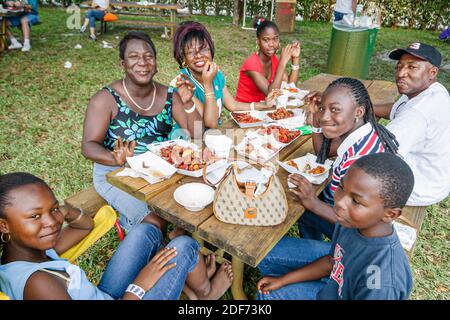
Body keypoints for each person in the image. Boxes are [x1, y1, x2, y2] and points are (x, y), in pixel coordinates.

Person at [0, 172, 233, 300]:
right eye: (34, 216)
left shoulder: (30, 253)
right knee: (182, 245)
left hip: (103, 295)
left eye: (51, 210)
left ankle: (190, 286)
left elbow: (83, 226)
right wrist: (139, 286)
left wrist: (60, 210)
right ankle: (206, 293)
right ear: (4, 225)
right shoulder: (38, 283)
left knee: (146, 230)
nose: (51, 223)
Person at [81, 31, 203, 233]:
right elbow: (88, 146)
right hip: (116, 173)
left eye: (148, 56)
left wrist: (189, 102)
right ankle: (131, 224)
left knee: (196, 201)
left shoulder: (170, 95)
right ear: (123, 63)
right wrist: (114, 158)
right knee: (155, 221)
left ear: (155, 62)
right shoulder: (105, 99)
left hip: (160, 169)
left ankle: (177, 239)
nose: (143, 62)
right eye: (134, 56)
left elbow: (196, 133)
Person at [257, 153, 414, 300]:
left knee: (267, 296)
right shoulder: (352, 222)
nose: (340, 202)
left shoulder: (383, 282)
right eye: (341, 187)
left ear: (390, 214)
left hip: (339, 291)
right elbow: (332, 262)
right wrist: (283, 281)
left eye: (356, 201)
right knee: (265, 252)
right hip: (335, 286)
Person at [292, 77, 399, 241]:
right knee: (305, 201)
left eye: (335, 109)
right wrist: (315, 114)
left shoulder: (359, 161)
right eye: (322, 108)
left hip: (357, 239)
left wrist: (312, 202)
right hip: (348, 208)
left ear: (358, 112)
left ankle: (325, 254)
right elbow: (323, 152)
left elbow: (354, 221)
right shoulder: (364, 133)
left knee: (296, 210)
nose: (324, 117)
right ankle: (312, 242)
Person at [374, 43, 450, 207]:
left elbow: (376, 156)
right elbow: (394, 109)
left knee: (330, 185)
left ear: (432, 72)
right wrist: (361, 106)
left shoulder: (417, 113)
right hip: (434, 179)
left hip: (418, 189)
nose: (401, 73)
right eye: (399, 66)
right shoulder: (429, 90)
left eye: (412, 67)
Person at [171, 21, 274, 130]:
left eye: (204, 49)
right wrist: (208, 84)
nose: (199, 56)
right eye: (191, 52)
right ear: (183, 58)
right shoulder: (182, 84)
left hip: (212, 138)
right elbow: (210, 123)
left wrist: (263, 105)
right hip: (190, 141)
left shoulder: (216, 75)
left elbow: (233, 106)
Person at [235, 17, 301, 103]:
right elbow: (271, 93)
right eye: (266, 40)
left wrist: (295, 59)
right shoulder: (251, 64)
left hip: (264, 107)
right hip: (245, 111)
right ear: (258, 41)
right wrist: (282, 63)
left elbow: (290, 85)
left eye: (275, 39)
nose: (271, 44)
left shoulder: (273, 59)